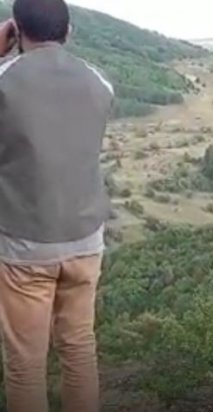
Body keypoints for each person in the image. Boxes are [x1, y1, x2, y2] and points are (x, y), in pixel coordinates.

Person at [0, 0, 115, 411]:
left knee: (26, 364)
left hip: (26, 244)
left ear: (16, 30)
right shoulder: (99, 81)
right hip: (86, 240)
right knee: (79, 348)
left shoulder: (5, 78)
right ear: (69, 32)